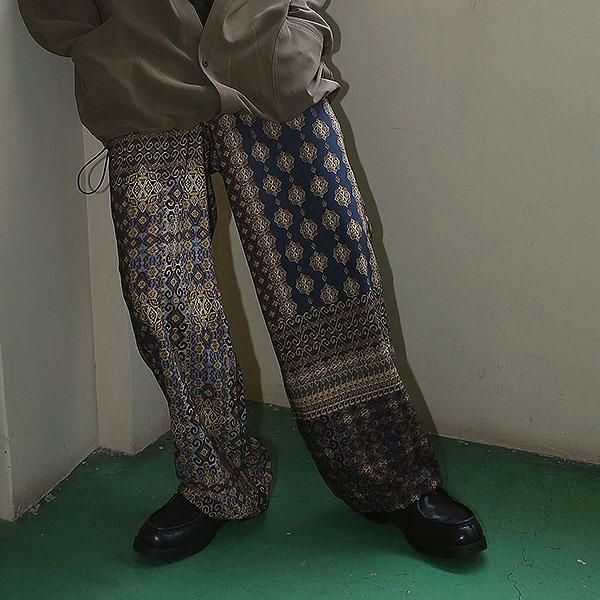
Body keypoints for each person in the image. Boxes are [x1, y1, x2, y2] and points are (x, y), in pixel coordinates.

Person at [17, 0, 487, 562]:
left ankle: (391, 480)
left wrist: (299, 21)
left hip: (267, 66)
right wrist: (105, 50)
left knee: (333, 276)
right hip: (145, 78)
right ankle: (218, 484)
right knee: (167, 302)